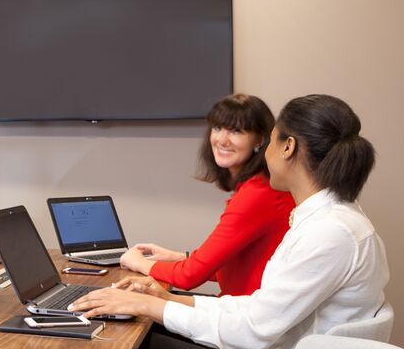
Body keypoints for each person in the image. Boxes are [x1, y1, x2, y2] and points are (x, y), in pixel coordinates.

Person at [72, 94, 387, 349]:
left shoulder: (329, 233)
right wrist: (165, 301)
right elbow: (260, 305)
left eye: (270, 138)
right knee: (144, 330)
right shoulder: (328, 220)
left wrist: (151, 303)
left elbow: (253, 330)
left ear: (288, 147)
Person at [118, 94, 295, 295]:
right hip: (240, 309)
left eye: (236, 131)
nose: (222, 140)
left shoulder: (257, 194)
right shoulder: (259, 186)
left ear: (260, 139)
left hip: (242, 316)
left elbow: (189, 277)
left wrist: (138, 262)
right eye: (218, 128)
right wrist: (177, 257)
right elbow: (232, 267)